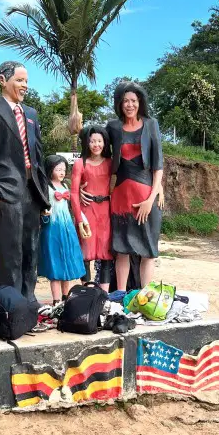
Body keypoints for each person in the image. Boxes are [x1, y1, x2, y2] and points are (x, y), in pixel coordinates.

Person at [0, 61, 49, 303]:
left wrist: (43, 195)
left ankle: (29, 301)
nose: (24, 85)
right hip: (4, 191)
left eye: (26, 81)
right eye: (19, 80)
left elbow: (38, 155)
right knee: (9, 253)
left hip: (31, 192)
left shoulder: (32, 114)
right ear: (2, 80)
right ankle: (11, 306)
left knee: (31, 251)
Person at [106, 81, 163, 292]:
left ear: (140, 102)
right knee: (122, 250)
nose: (129, 105)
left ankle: (144, 296)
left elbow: (158, 165)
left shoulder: (151, 124)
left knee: (148, 250)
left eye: (133, 101)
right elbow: (100, 156)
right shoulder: (112, 126)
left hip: (146, 198)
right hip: (120, 197)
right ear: (119, 104)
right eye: (125, 101)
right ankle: (120, 295)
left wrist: (152, 197)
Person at [70, 126, 114, 291]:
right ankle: (87, 290)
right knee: (85, 252)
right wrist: (79, 219)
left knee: (105, 253)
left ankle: (104, 294)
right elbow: (74, 193)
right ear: (87, 143)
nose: (96, 144)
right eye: (92, 141)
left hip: (106, 212)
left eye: (99, 141)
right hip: (87, 211)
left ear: (105, 143)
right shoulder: (80, 163)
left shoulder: (111, 163)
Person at [38, 155, 86, 304]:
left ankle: (66, 297)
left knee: (67, 262)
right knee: (55, 265)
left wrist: (82, 220)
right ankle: (56, 300)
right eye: (58, 169)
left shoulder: (65, 187)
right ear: (50, 169)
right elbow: (40, 207)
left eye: (64, 169)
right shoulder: (45, 187)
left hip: (67, 229)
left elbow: (73, 206)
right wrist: (43, 212)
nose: (61, 172)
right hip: (52, 229)